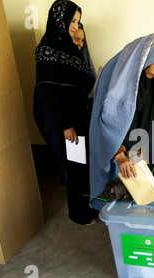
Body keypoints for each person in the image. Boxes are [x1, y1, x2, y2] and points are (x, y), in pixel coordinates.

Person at [89, 33, 154, 211]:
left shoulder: (153, 77)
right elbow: (108, 118)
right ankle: (115, 216)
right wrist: (119, 154)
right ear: (149, 58)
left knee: (137, 184)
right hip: (118, 144)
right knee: (118, 187)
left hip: (138, 140)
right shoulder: (117, 71)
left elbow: (145, 104)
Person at [35, 0, 97, 225]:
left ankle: (89, 207)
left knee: (85, 167)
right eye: (72, 20)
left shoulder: (72, 51)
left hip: (83, 119)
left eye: (78, 21)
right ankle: (79, 214)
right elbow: (50, 91)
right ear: (58, 19)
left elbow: (84, 85)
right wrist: (64, 125)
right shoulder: (47, 50)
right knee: (76, 169)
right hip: (69, 125)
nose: (74, 26)